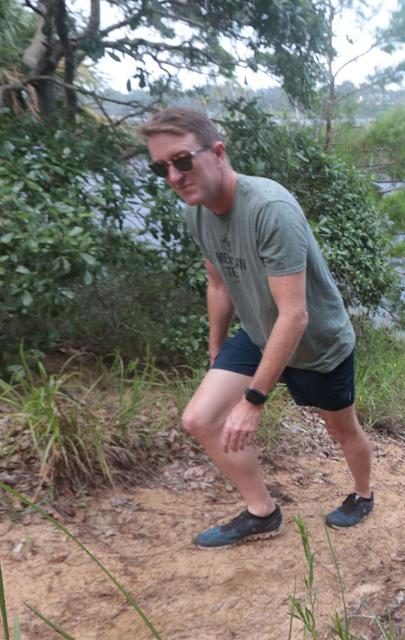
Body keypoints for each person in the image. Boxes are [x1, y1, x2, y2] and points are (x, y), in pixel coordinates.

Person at [140, 107, 374, 549]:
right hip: (258, 333)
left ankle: (363, 494)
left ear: (218, 152)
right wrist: (215, 352)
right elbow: (217, 282)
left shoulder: (269, 208)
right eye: (161, 167)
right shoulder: (197, 212)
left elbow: (295, 316)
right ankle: (262, 513)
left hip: (315, 344)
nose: (173, 175)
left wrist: (252, 401)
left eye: (182, 160)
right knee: (200, 418)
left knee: (341, 430)